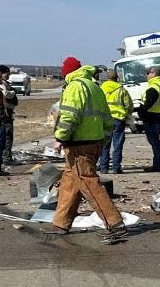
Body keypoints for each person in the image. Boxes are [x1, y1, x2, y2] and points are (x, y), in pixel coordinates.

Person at [44, 56, 127, 244]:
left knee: (88, 182)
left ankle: (114, 222)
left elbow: (69, 116)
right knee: (70, 181)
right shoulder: (95, 87)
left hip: (79, 144)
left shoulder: (75, 87)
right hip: (94, 142)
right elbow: (108, 119)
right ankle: (61, 223)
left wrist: (60, 138)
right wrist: (103, 141)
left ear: (67, 72)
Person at [98, 69, 133, 173]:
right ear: (116, 78)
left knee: (105, 144)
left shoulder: (100, 89)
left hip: (104, 120)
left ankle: (104, 168)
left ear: (107, 78)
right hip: (118, 119)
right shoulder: (121, 90)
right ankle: (116, 168)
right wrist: (126, 114)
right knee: (117, 144)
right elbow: (128, 105)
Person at [137, 66, 160, 171]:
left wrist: (141, 111)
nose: (146, 76)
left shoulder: (154, 86)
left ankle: (158, 165)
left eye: (147, 73)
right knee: (155, 140)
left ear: (153, 74)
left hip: (151, 117)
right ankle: (158, 163)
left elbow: (149, 103)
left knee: (154, 141)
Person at [0, 65, 19, 167]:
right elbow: (6, 95)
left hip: (7, 112)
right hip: (5, 114)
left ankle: (4, 157)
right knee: (8, 136)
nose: (9, 74)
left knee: (6, 136)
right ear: (3, 73)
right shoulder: (1, 83)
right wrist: (13, 92)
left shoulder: (2, 82)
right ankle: (6, 158)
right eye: (7, 73)